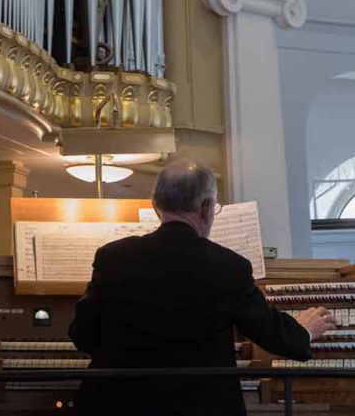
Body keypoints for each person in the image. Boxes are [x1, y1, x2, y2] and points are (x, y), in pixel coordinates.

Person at [69, 159, 335, 416]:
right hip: (200, 406)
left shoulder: (112, 257)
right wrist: (303, 331)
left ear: (155, 205)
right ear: (206, 207)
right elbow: (269, 333)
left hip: (116, 405)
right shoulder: (229, 267)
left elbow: (83, 335)